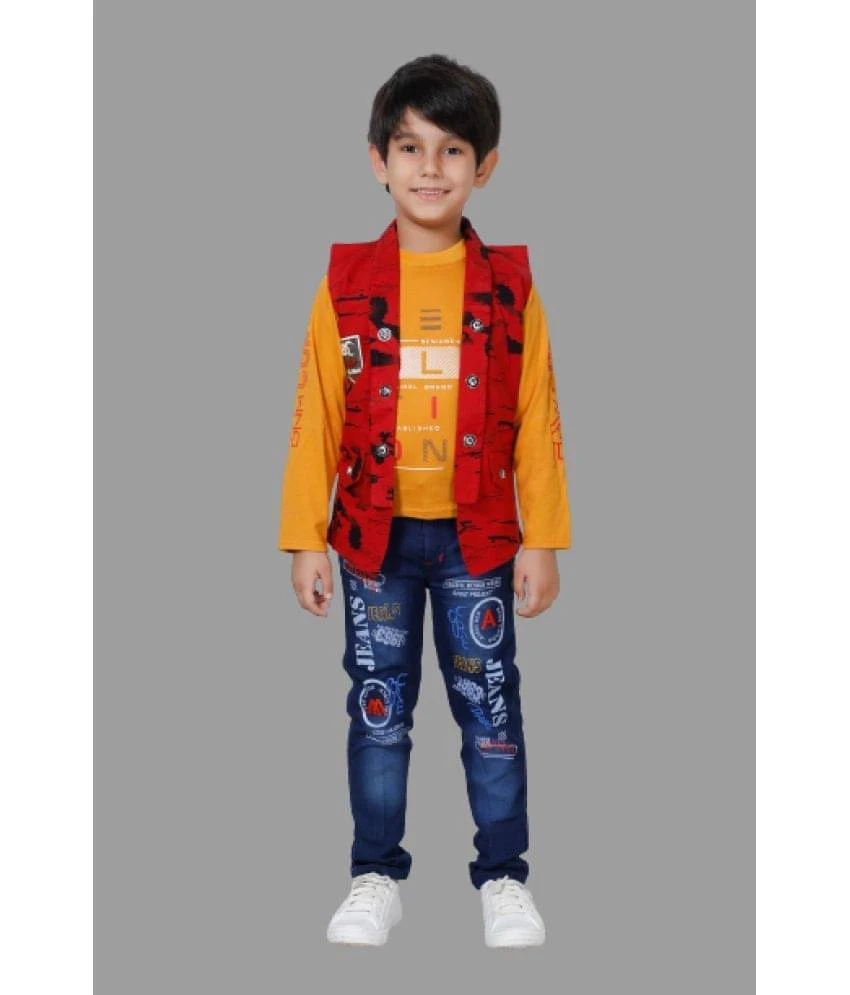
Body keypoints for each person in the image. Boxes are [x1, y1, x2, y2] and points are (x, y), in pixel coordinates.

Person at [278, 53, 571, 948]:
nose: (431, 168)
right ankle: (375, 872)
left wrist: (543, 535)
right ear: (378, 160)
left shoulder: (511, 286)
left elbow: (537, 412)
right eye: (410, 148)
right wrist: (305, 535)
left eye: (453, 150)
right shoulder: (344, 284)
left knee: (491, 710)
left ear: (486, 165)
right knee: (378, 709)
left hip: (480, 538)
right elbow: (316, 411)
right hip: (373, 539)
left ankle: (504, 875)